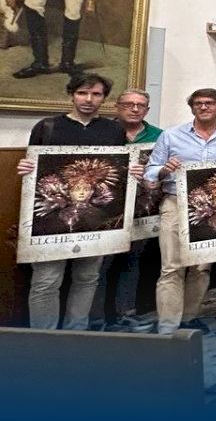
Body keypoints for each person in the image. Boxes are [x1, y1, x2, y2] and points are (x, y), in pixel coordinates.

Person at [16, 74, 132, 330]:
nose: (89, 99)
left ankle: (76, 332)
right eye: (82, 93)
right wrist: (25, 168)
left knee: (88, 277)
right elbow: (33, 165)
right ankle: (44, 338)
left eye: (96, 94)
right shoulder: (47, 127)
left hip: (95, 217)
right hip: (51, 218)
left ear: (104, 98)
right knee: (46, 280)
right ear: (72, 94)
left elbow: (117, 170)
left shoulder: (113, 130)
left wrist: (130, 171)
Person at [146, 88, 216, 335]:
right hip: (175, 202)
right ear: (192, 107)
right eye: (198, 103)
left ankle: (189, 317)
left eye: (209, 103)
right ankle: (168, 324)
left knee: (201, 268)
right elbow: (150, 171)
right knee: (171, 266)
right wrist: (164, 170)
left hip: (211, 209)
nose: (203, 107)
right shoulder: (171, 135)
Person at [89, 88, 162, 332]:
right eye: (129, 104)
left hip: (142, 210)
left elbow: (164, 169)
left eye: (140, 105)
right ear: (116, 107)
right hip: (104, 210)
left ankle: (125, 313)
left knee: (132, 260)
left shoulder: (159, 136)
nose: (134, 109)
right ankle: (96, 318)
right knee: (99, 264)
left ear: (147, 110)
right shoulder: (102, 131)